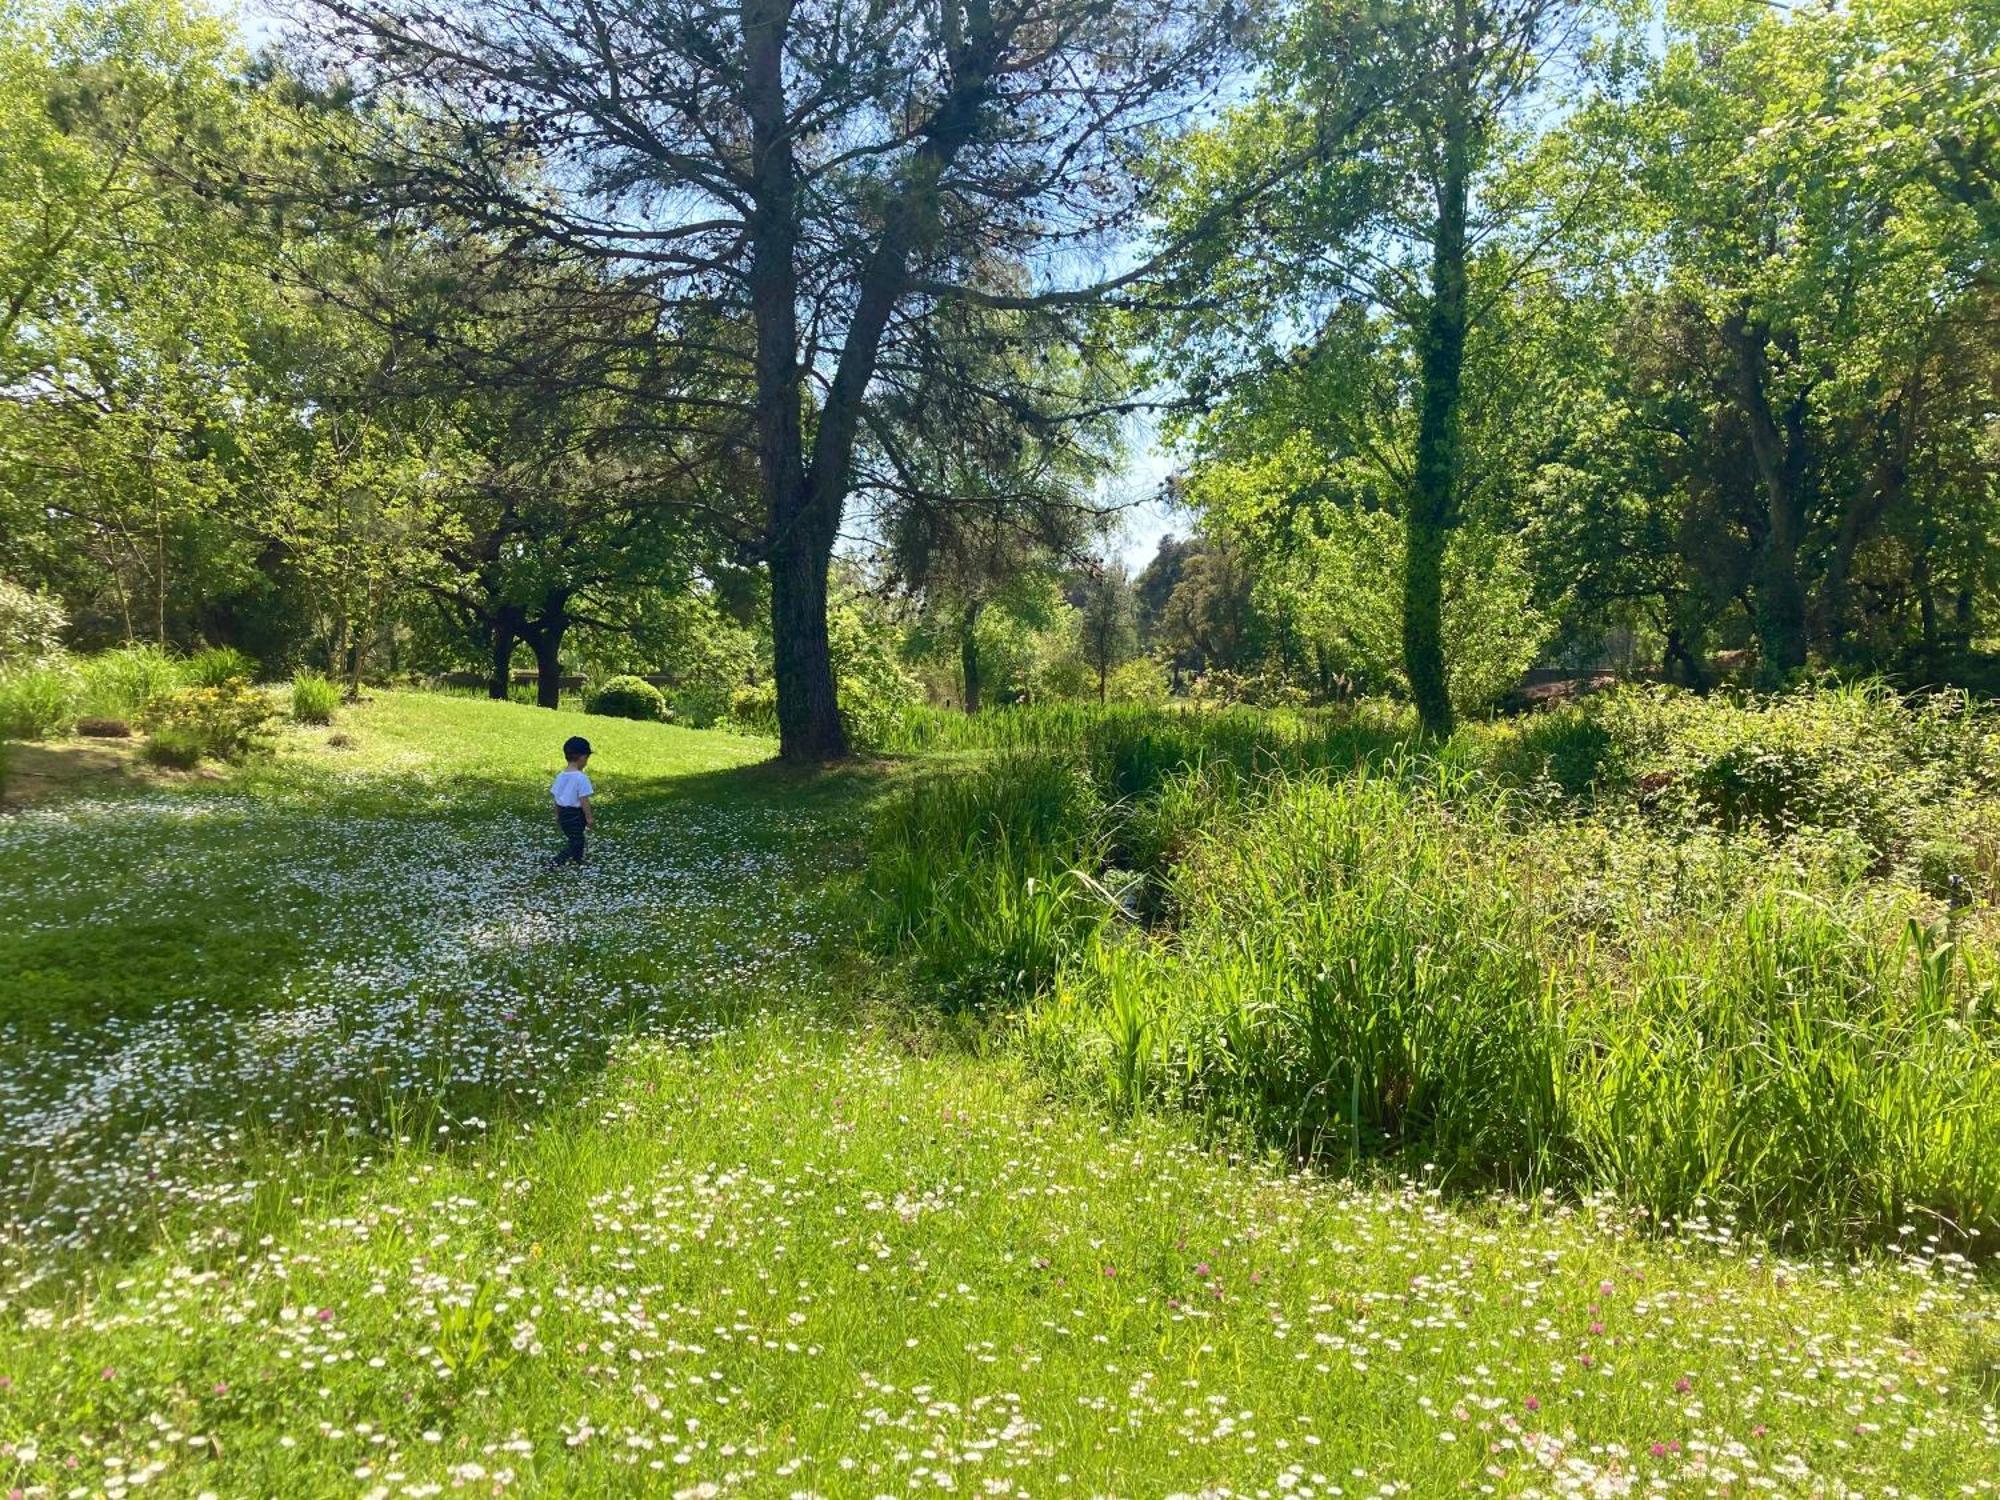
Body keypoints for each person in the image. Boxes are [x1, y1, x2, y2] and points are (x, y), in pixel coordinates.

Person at [548, 735, 594, 869]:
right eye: (587, 759)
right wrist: (589, 817)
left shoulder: (561, 776)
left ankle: (577, 860)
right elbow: (584, 800)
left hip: (563, 814)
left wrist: (557, 815)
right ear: (583, 757)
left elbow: (556, 797)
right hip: (576, 815)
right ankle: (557, 861)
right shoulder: (581, 778)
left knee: (577, 839)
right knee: (577, 841)